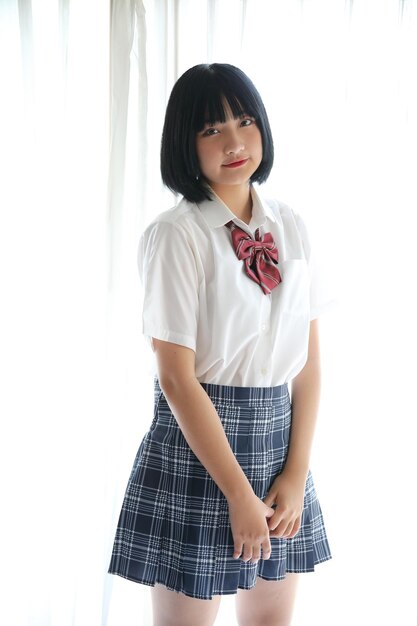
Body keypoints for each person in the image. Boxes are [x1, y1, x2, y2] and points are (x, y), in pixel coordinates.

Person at [108, 63, 332, 626]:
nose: (234, 141)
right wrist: (236, 493)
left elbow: (307, 366)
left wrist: (296, 472)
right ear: (185, 143)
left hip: (279, 447)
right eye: (211, 129)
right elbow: (177, 378)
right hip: (198, 452)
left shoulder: (292, 226)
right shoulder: (176, 235)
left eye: (245, 121)